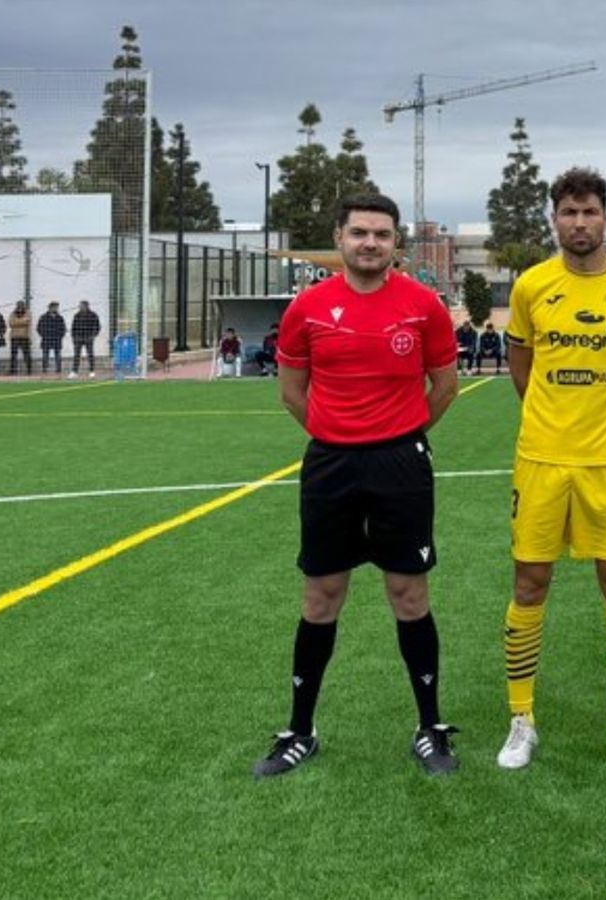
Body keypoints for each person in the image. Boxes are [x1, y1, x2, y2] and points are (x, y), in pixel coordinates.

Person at [252, 194, 462, 778]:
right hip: (330, 466)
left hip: (400, 465)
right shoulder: (309, 308)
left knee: (409, 596)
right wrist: (335, 433)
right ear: (339, 238)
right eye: (360, 233)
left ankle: (430, 727)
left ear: (397, 243)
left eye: (382, 234)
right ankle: (299, 730)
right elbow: (292, 391)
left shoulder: (423, 306)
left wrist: (401, 434)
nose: (371, 243)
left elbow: (444, 386)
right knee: (321, 598)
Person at [496, 167, 606, 770]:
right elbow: (521, 361)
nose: (579, 222)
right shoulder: (531, 287)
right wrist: (549, 420)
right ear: (554, 219)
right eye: (568, 212)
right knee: (529, 585)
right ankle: (522, 720)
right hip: (541, 459)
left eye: (589, 211)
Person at [69, 300, 101, 379]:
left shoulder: (93, 315)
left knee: (90, 354)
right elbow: (73, 327)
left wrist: (93, 335)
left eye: (81, 306)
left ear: (86, 306)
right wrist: (74, 337)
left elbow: (97, 326)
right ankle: (74, 371)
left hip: (88, 337)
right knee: (76, 355)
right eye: (79, 306)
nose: (80, 307)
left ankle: (92, 371)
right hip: (78, 338)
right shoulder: (77, 315)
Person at [37, 302, 66, 375]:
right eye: (54, 307)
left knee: (58, 355)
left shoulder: (60, 317)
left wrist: (60, 336)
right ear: (50, 307)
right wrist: (44, 335)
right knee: (45, 355)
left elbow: (63, 328)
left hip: (57, 339)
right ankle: (44, 370)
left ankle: (58, 370)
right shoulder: (43, 317)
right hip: (46, 339)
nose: (55, 308)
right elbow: (39, 328)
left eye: (56, 307)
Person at [6, 301, 33, 375]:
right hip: (14, 337)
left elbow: (28, 322)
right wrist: (23, 321)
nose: (20, 306)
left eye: (22, 305)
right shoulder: (13, 313)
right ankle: (13, 371)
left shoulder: (28, 313)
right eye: (19, 305)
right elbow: (11, 323)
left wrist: (17, 322)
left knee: (26, 355)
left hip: (25, 337)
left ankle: (29, 371)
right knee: (13, 355)